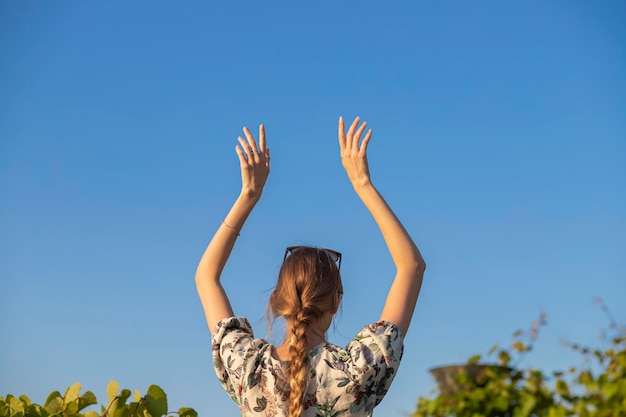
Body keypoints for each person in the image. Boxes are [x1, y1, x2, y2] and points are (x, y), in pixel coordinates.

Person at [195, 116, 426, 417]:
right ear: (336, 300)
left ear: (277, 299)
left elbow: (206, 277)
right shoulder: (359, 370)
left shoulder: (248, 368)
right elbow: (412, 267)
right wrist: (362, 183)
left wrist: (248, 195)